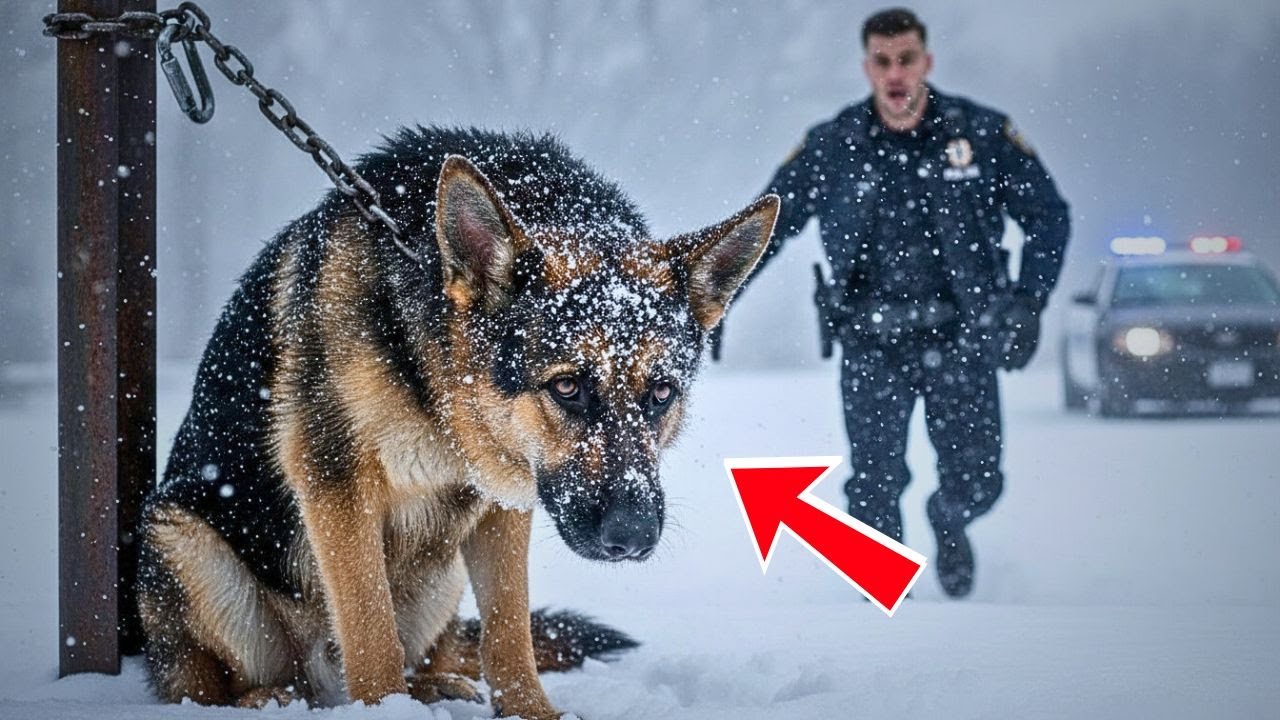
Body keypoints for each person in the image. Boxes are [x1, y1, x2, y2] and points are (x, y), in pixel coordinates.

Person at [734, 8, 1070, 597]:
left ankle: (949, 518)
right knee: (873, 484)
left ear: (927, 62)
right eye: (883, 61)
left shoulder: (980, 134)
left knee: (979, 479)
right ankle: (887, 605)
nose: (896, 74)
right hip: (871, 343)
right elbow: (769, 224)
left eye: (907, 59)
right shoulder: (833, 146)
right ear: (867, 67)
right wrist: (719, 299)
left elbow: (1049, 216)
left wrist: (1028, 301)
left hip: (964, 339)